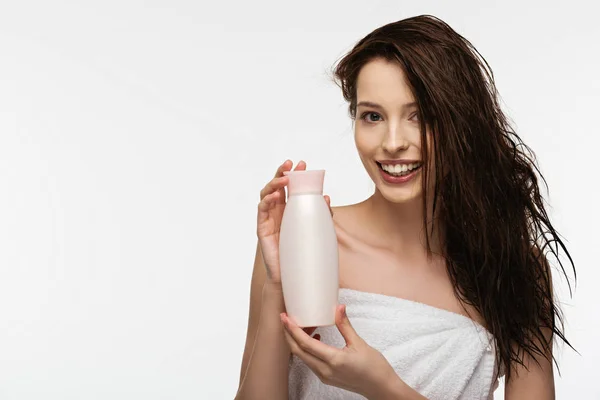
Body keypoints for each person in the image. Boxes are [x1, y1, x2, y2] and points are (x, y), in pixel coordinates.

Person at [235, 14, 575, 400]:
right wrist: (279, 286)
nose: (392, 142)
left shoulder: (515, 269)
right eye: (373, 116)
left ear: (462, 123)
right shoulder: (299, 245)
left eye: (420, 116)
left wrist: (383, 388)